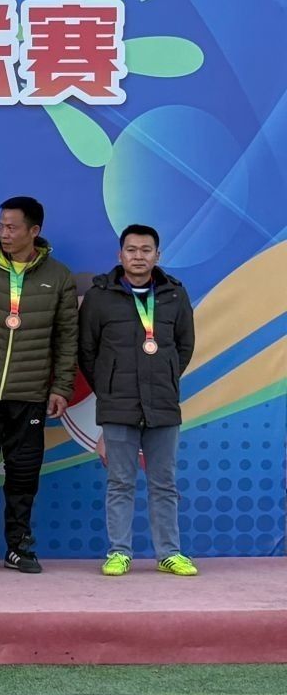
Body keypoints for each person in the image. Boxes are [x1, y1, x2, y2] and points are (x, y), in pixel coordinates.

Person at [0, 195, 77, 574]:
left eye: (12, 227)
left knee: (23, 475)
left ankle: (19, 547)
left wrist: (61, 387)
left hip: (31, 394)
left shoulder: (59, 277)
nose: (4, 233)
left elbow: (67, 338)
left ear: (34, 230)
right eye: (0, 226)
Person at [78, 224, 198, 578]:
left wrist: (166, 377)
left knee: (164, 483)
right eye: (131, 250)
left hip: (162, 403)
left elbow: (185, 346)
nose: (138, 256)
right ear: (120, 255)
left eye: (146, 250)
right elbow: (87, 351)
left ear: (158, 256)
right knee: (120, 482)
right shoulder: (100, 296)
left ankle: (169, 553)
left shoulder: (174, 294)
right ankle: (119, 552)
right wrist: (109, 385)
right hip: (118, 405)